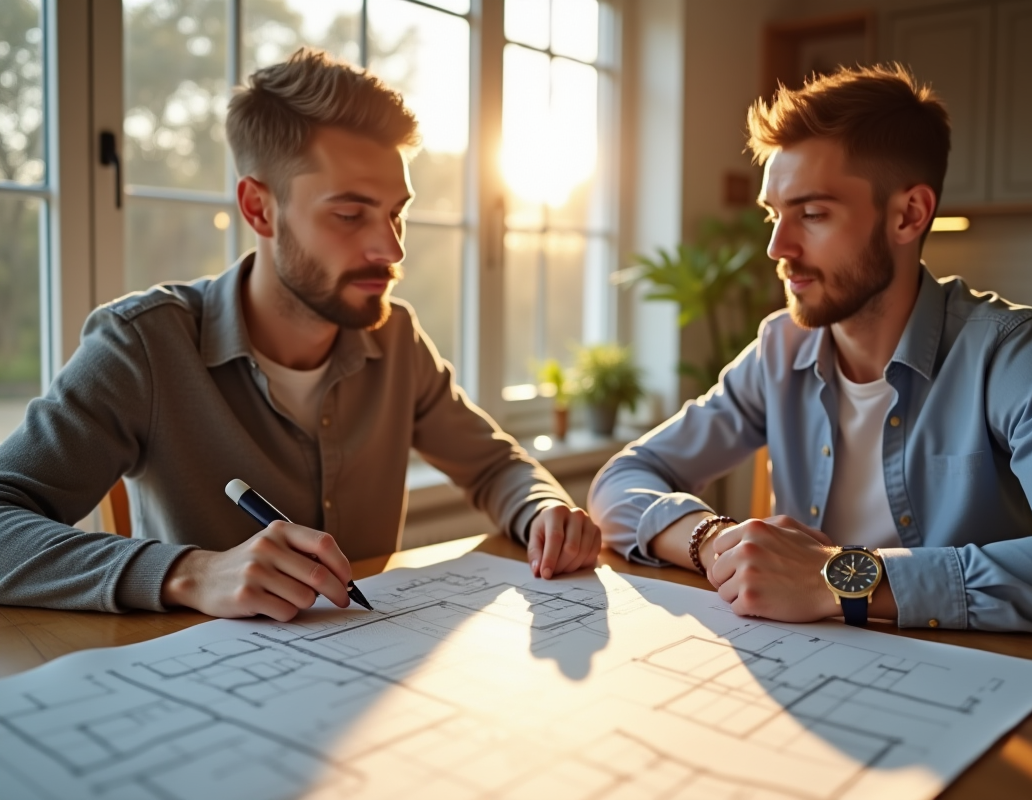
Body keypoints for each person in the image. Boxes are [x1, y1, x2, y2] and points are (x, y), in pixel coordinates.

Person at [589, 64, 1032, 635]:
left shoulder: (1011, 352)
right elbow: (621, 480)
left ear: (908, 214)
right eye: (774, 215)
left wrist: (840, 580)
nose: (777, 247)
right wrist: (714, 540)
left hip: (977, 678)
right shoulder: (780, 349)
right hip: (808, 666)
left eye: (813, 213)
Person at [0, 48, 600, 621]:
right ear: (259, 209)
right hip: (204, 676)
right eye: (349, 215)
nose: (391, 249)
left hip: (372, 666)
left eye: (396, 213)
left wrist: (544, 511)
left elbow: (496, 467)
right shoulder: (142, 346)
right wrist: (192, 572)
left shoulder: (396, 338)